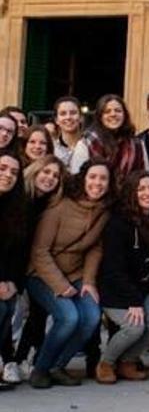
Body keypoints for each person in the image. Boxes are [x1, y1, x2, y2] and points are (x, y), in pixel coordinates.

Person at [27, 159, 112, 389]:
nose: (97, 183)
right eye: (93, 177)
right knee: (69, 317)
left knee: (92, 317)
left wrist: (89, 281)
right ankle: (41, 369)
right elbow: (39, 252)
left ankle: (58, 365)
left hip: (76, 274)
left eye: (103, 178)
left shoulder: (103, 211)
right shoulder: (60, 207)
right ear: (83, 179)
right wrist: (61, 286)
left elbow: (95, 248)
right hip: (41, 275)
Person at [95, 171, 149, 384]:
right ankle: (106, 363)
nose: (148, 193)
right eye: (141, 189)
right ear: (131, 193)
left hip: (140, 289)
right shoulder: (118, 223)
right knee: (134, 327)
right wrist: (133, 301)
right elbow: (114, 268)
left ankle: (127, 361)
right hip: (115, 289)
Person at [1, 155, 65, 384]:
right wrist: (8, 280)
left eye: (55, 176)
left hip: (29, 267)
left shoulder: (48, 204)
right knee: (7, 311)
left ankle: (19, 359)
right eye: (45, 172)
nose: (50, 178)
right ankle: (8, 360)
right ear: (34, 171)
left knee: (38, 312)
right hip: (12, 268)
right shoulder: (18, 199)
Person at [70, 95, 146, 184]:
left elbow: (145, 177)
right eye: (107, 111)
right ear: (100, 117)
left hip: (129, 196)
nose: (113, 114)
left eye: (118, 111)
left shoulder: (138, 144)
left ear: (125, 115)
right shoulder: (86, 143)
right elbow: (77, 179)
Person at [0, 151, 24, 391]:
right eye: (2, 168)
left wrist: (12, 282)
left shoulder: (16, 207)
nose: (8, 175)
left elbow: (17, 252)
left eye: (14, 172)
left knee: (7, 305)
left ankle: (6, 359)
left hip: (6, 277)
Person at [52, 97, 83, 169]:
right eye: (63, 114)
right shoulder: (51, 149)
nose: (68, 117)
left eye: (73, 113)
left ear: (81, 117)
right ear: (56, 120)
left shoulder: (90, 145)